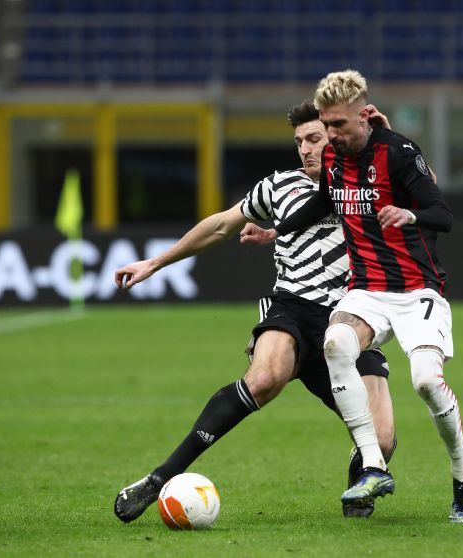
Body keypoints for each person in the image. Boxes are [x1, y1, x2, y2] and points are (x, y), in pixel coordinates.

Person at [113, 101, 397, 523]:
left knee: (383, 436)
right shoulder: (279, 186)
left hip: (353, 315)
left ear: (337, 135)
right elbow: (221, 225)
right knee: (264, 378)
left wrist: (384, 140)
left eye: (314, 138)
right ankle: (160, 479)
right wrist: (154, 263)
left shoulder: (370, 184)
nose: (305, 148)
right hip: (293, 308)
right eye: (299, 141)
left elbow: (419, 187)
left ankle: (359, 491)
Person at [240, 70, 463, 523]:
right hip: (367, 289)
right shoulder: (333, 158)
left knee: (426, 382)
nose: (330, 135)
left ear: (363, 115)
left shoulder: (399, 152)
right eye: (326, 125)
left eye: (338, 125)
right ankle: (372, 464)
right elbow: (324, 202)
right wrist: (277, 230)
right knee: (335, 343)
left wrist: (408, 213)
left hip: (417, 290)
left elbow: (442, 215)